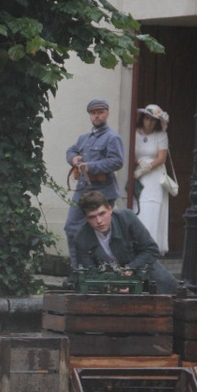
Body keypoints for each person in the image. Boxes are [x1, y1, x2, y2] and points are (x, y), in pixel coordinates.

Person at [73, 191, 177, 295]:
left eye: (102, 213)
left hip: (142, 270)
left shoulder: (127, 218)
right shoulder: (81, 239)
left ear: (110, 210)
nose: (99, 221)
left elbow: (151, 249)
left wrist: (130, 269)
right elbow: (88, 273)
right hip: (106, 282)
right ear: (86, 218)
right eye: (92, 217)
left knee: (166, 288)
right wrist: (112, 285)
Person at [64, 99, 125, 269]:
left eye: (100, 112)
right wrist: (74, 159)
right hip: (83, 190)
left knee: (103, 232)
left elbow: (117, 162)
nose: (96, 115)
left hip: (103, 191)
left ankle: (108, 269)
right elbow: (71, 150)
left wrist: (90, 167)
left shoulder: (112, 138)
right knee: (72, 228)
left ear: (107, 113)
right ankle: (78, 271)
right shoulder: (84, 138)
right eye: (93, 113)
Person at [132, 104, 170, 255]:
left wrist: (147, 167)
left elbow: (162, 158)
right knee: (138, 207)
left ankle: (151, 246)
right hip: (138, 173)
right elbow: (130, 151)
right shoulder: (135, 133)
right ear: (143, 118)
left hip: (154, 175)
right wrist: (139, 163)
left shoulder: (161, 135)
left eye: (153, 120)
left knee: (152, 207)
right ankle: (137, 245)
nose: (150, 122)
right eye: (147, 118)